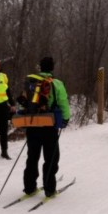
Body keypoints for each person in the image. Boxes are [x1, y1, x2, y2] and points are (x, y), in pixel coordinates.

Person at [19, 56, 70, 197]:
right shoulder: (56, 83)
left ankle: (29, 187)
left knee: (32, 157)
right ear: (52, 68)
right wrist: (65, 119)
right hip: (49, 124)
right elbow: (63, 102)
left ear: (40, 67)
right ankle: (49, 188)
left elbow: (22, 103)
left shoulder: (30, 81)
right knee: (51, 157)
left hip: (32, 123)